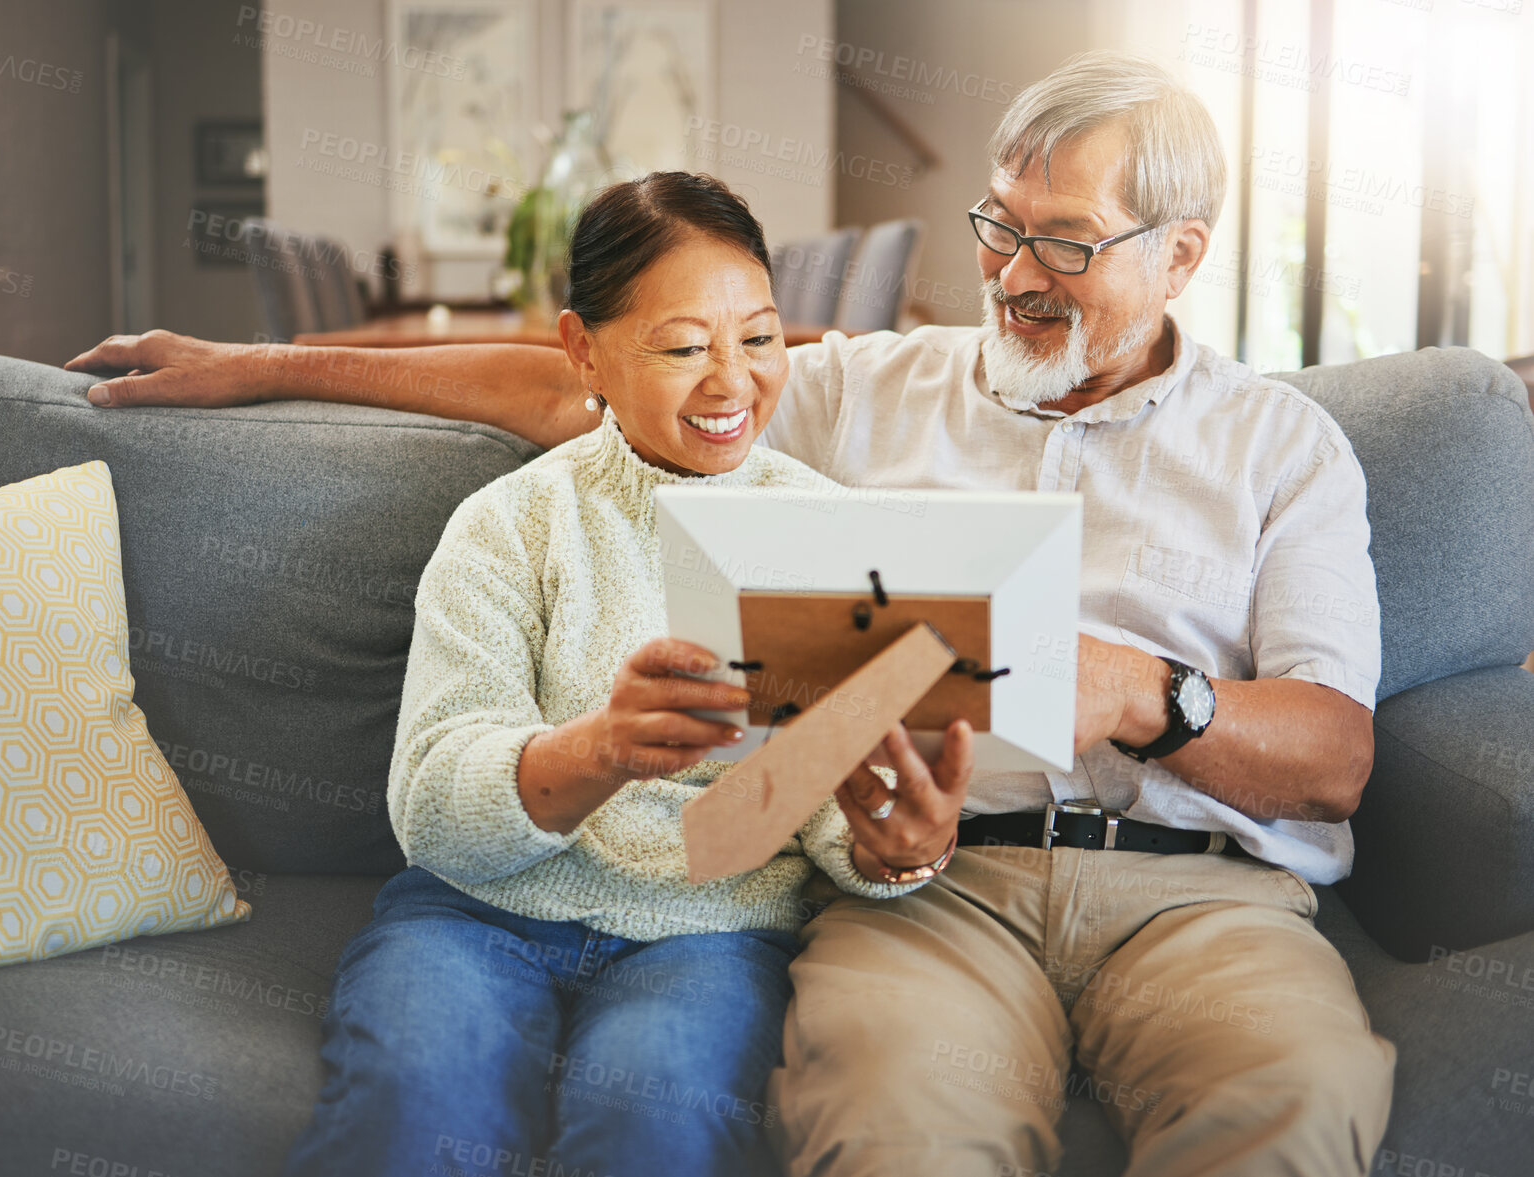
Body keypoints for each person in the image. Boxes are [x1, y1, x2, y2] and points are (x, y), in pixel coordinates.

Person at [68, 52, 1396, 1176]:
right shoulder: (869, 388)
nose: (1011, 275)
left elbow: (1330, 758)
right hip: (938, 883)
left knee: (1288, 1102)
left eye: (1064, 242)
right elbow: (604, 384)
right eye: (997, 226)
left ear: (1179, 257)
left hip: (1198, 897)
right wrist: (265, 363)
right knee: (885, 1115)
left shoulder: (1281, 448)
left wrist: (1132, 689)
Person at [265, 171, 972, 1177]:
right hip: (476, 916)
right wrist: (596, 749)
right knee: (412, 1109)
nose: (732, 383)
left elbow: (829, 807)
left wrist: (896, 848)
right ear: (582, 351)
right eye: (685, 348)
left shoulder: (824, 532)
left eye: (761, 338)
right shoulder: (511, 524)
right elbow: (428, 807)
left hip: (710, 935)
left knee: (655, 1125)